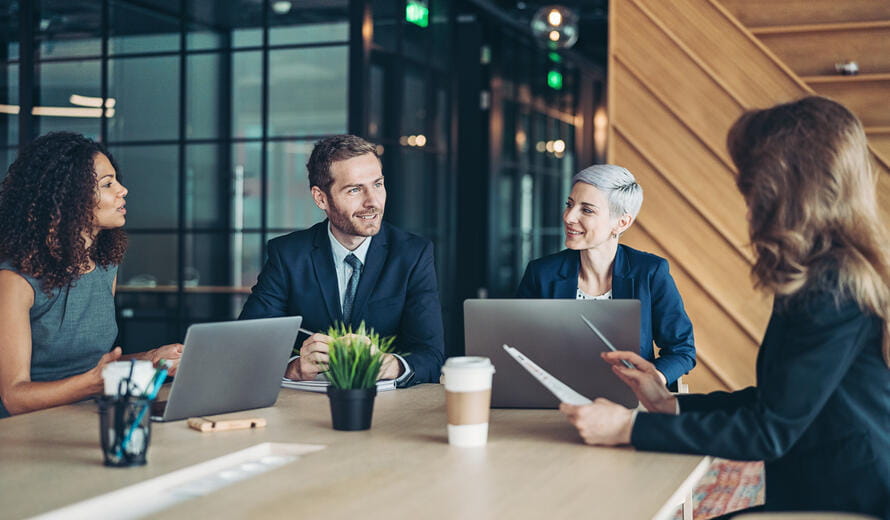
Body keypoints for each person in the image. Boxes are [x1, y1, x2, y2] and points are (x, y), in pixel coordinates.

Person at [560, 97, 890, 517]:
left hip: (852, 499)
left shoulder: (832, 285)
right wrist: (668, 403)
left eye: (750, 187)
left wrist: (629, 426)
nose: (748, 203)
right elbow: (778, 402)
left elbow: (769, 430)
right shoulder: (826, 271)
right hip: (824, 483)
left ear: (782, 188)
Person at [0, 132, 184, 418]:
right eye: (107, 184)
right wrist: (94, 384)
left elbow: (93, 367)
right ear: (66, 198)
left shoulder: (104, 265)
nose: (123, 190)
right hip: (24, 432)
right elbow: (15, 397)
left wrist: (150, 359)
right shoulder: (14, 280)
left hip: (87, 416)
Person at [239, 134, 445, 386]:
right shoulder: (288, 254)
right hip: (301, 409)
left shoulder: (413, 254)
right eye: (355, 189)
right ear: (321, 198)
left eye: (378, 184)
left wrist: (388, 364)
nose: (373, 202)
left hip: (388, 410)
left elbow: (431, 356)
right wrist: (293, 368)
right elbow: (248, 347)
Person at [517, 164, 695, 386]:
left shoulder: (650, 272)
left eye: (587, 210)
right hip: (555, 398)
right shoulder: (541, 273)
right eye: (569, 205)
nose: (569, 217)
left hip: (629, 400)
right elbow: (519, 348)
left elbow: (682, 351)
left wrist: (650, 380)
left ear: (621, 223)